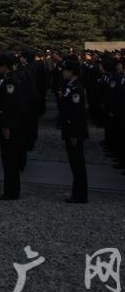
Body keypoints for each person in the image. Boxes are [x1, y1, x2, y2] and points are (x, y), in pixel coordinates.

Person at [0, 53, 23, 201]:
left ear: (4, 66)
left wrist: (6, 125)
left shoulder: (10, 82)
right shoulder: (6, 80)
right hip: (6, 124)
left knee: (10, 159)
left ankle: (12, 191)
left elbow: (10, 106)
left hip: (9, 126)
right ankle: (10, 189)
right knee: (7, 159)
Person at [59, 56, 88, 204]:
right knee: (74, 164)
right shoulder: (70, 86)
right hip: (70, 130)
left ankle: (80, 195)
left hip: (74, 131)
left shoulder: (76, 88)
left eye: (65, 70)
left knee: (77, 164)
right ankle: (77, 192)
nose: (63, 73)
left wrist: (74, 133)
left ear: (71, 71)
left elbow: (76, 114)